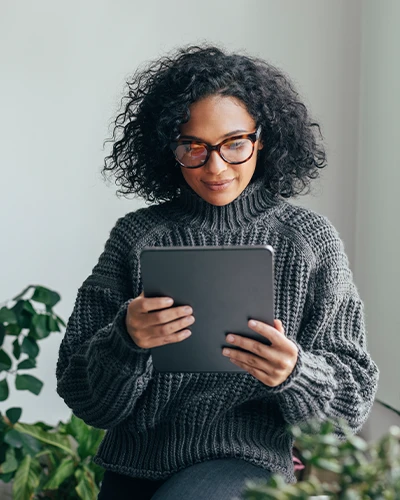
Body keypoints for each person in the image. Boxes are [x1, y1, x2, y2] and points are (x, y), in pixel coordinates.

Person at [56, 44, 379, 500]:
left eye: (234, 144)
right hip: (135, 461)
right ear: (169, 145)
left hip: (244, 460)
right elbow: (84, 395)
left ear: (261, 138)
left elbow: (349, 407)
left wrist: (296, 373)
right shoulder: (137, 237)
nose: (215, 167)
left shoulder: (308, 241)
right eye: (193, 147)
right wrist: (126, 341)